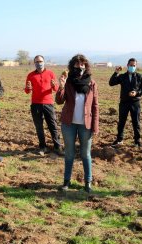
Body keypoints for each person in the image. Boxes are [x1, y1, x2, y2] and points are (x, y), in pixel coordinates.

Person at [56, 54, 99, 193]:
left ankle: (88, 182)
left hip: (85, 125)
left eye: (82, 64)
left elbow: (95, 106)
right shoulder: (68, 82)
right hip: (69, 123)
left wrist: (95, 126)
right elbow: (59, 101)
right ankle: (66, 181)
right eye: (77, 64)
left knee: (86, 154)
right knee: (69, 153)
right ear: (72, 66)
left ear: (86, 66)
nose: (80, 66)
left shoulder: (91, 83)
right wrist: (61, 87)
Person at [25, 55, 62, 156]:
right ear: (34, 63)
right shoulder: (31, 75)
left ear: (44, 62)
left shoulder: (50, 73)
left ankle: (57, 147)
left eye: (40, 61)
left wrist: (55, 85)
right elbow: (27, 91)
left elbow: (56, 89)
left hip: (48, 103)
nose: (39, 63)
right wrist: (28, 88)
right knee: (39, 127)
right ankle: (42, 147)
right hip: (36, 104)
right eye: (36, 62)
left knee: (53, 125)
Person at [109, 58, 142, 148]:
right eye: (131, 65)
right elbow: (111, 83)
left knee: (136, 122)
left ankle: (137, 141)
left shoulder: (139, 76)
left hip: (135, 102)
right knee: (121, 122)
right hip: (124, 102)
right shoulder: (122, 77)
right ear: (127, 65)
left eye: (134, 65)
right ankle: (119, 139)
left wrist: (136, 93)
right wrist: (116, 73)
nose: (132, 67)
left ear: (136, 66)